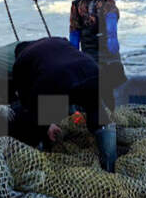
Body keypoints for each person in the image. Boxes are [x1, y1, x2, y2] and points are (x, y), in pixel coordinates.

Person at [10, 37, 117, 172]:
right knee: (96, 112)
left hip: (56, 80)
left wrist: (46, 125)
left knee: (36, 119)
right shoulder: (58, 40)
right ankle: (110, 166)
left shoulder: (21, 60)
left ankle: (44, 159)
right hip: (92, 70)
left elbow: (28, 103)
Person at [69, 0, 127, 107]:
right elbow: (74, 27)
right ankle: (95, 106)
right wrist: (73, 48)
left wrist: (112, 36)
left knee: (115, 74)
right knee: (92, 76)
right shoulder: (78, 4)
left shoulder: (105, 0)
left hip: (106, 43)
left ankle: (120, 105)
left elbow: (112, 15)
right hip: (88, 47)